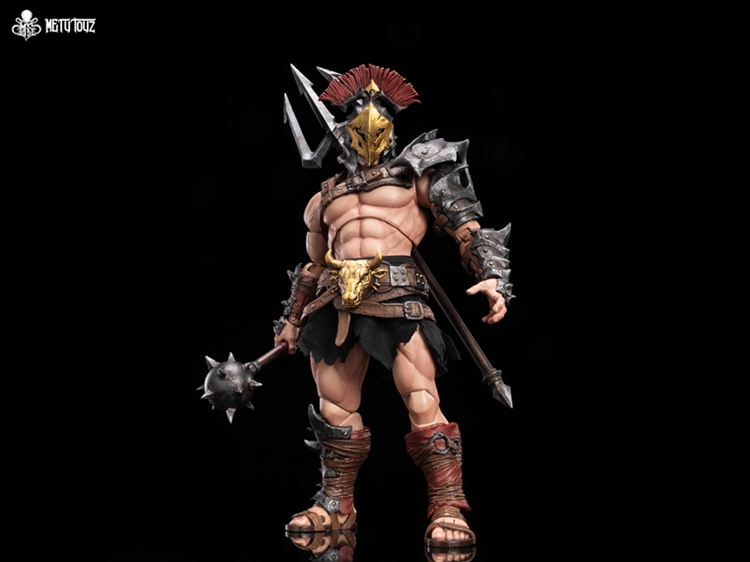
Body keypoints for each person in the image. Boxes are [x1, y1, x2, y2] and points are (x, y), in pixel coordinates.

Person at [274, 64, 512, 549]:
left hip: (398, 297)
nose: (367, 126)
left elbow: (467, 228)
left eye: (377, 116)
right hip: (337, 304)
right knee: (335, 407)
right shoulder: (324, 199)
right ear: (341, 130)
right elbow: (313, 266)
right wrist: (291, 320)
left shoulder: (414, 176)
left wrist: (491, 277)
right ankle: (335, 506)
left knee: (421, 400)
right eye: (357, 120)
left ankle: (448, 505)